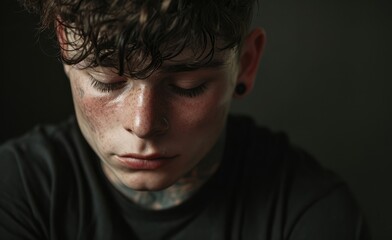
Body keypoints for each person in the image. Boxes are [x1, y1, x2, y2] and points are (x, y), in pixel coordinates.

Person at [0, 0, 370, 239]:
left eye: (187, 86)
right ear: (66, 46)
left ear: (246, 64)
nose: (143, 124)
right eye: (107, 81)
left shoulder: (311, 213)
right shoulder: (15, 193)